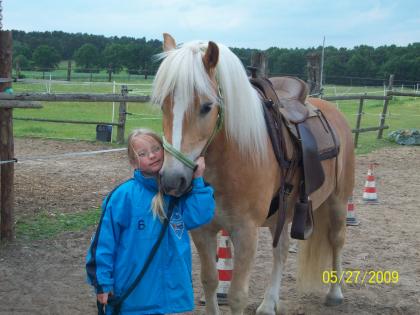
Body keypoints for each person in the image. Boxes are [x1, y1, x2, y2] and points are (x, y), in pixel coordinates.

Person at [86, 128, 215, 315]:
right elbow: (104, 244)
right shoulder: (123, 197)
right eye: (143, 153)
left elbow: (200, 215)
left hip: (170, 298)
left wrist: (198, 180)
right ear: (133, 162)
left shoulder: (177, 193)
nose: (152, 155)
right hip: (134, 298)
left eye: (156, 149)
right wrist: (103, 283)